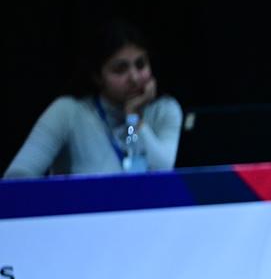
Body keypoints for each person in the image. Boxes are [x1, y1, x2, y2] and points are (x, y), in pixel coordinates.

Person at [4, 19, 183, 178]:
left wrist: (134, 118)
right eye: (120, 69)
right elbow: (17, 177)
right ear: (97, 76)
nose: (134, 78)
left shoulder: (165, 109)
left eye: (140, 64)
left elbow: (163, 172)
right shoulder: (68, 112)